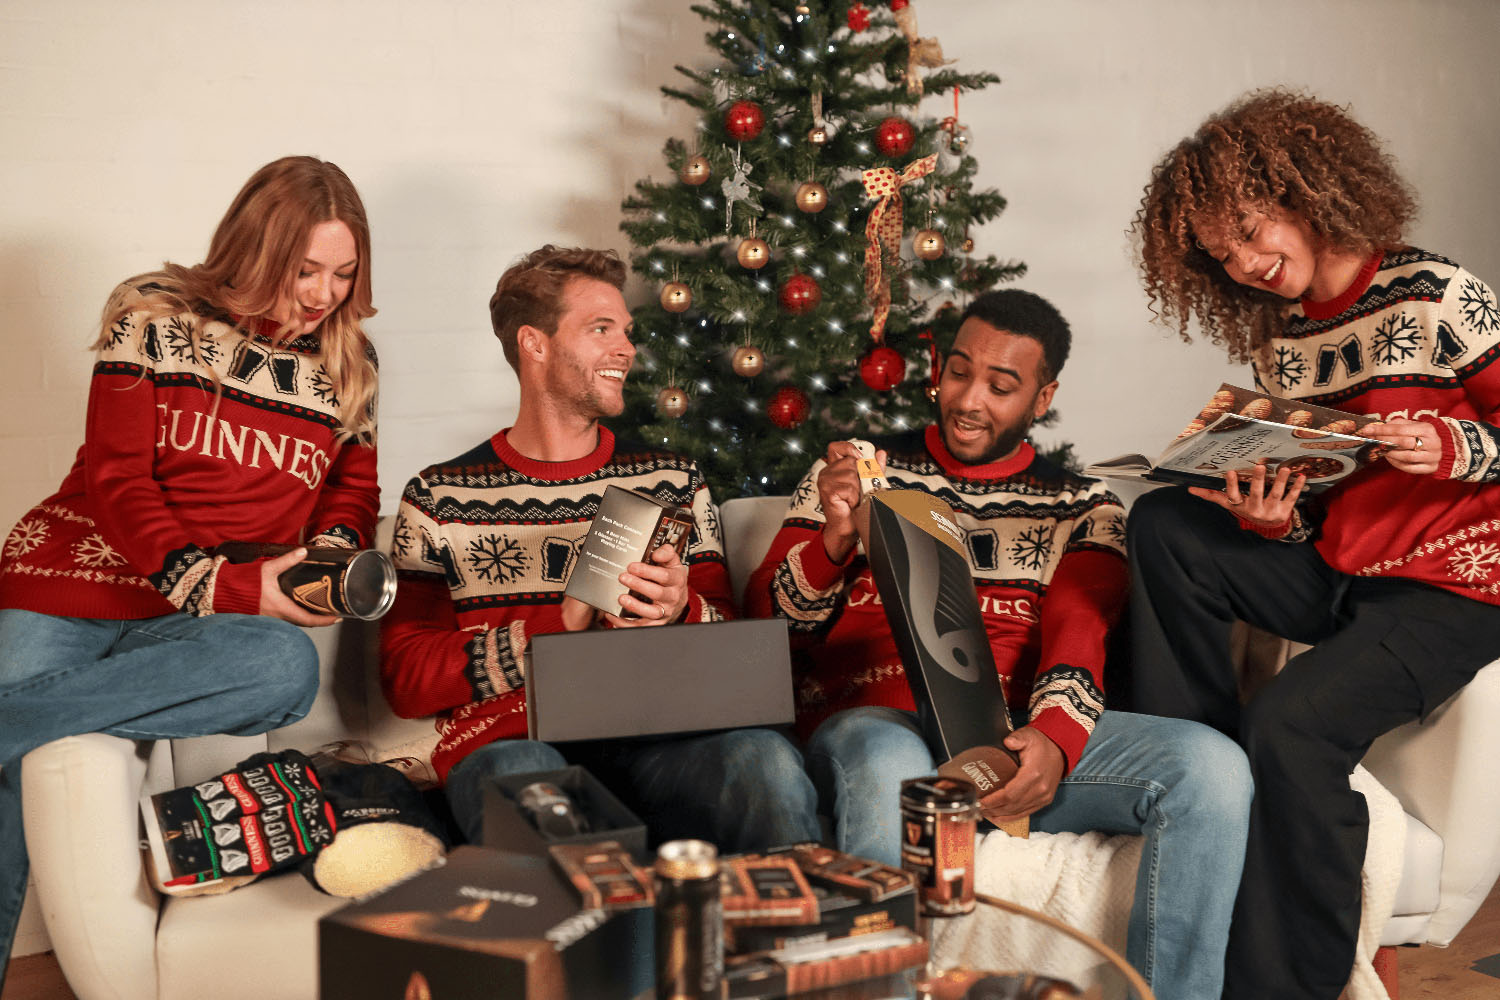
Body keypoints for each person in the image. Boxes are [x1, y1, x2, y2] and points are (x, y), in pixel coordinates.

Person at [746, 288, 1252, 1000]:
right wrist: (834, 537)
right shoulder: (858, 472)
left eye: (1002, 386)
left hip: (1007, 734)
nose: (969, 400)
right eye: (958, 372)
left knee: (1214, 770)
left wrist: (1051, 738)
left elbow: (1081, 630)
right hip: (879, 718)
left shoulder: (1084, 505)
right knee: (888, 760)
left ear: (1043, 398)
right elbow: (769, 625)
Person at [1130, 88, 1500, 1000]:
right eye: (1225, 256)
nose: (1249, 264)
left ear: (1307, 192)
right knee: (1164, 522)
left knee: (1290, 725)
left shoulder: (1441, 297)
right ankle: (1194, 764)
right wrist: (1272, 519)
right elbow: (1320, 503)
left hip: (1452, 587)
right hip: (1341, 574)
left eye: (1255, 232)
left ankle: (1290, 987)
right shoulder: (1286, 345)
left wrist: (1454, 447)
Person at [0, 156, 381, 985]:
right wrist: (225, 585)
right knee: (12, 766)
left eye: (342, 275)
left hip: (197, 629)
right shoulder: (153, 314)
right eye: (304, 270)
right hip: (72, 585)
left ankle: (18, 715)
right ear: (256, 249)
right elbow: (117, 479)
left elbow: (352, 495)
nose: (323, 293)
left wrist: (328, 563)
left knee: (282, 667)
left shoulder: (350, 364)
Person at [379, 244, 820, 853]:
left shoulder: (673, 482)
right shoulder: (439, 497)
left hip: (666, 741)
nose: (627, 349)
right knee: (521, 783)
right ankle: (611, 939)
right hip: (515, 744)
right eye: (601, 329)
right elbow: (406, 677)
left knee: (762, 759)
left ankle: (798, 937)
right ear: (535, 344)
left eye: (626, 331)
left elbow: (736, 644)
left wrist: (680, 611)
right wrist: (550, 628)